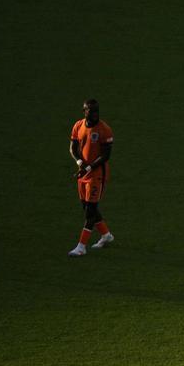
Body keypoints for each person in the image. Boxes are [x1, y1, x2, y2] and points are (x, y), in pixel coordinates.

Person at [67, 99, 114, 257]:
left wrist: (88, 167)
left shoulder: (104, 129)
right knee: (86, 207)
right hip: (84, 173)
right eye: (91, 111)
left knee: (90, 210)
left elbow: (106, 155)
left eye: (96, 111)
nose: (95, 114)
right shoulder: (78, 126)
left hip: (97, 175)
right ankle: (106, 235)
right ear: (84, 111)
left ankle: (81, 246)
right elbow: (73, 147)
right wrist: (80, 162)